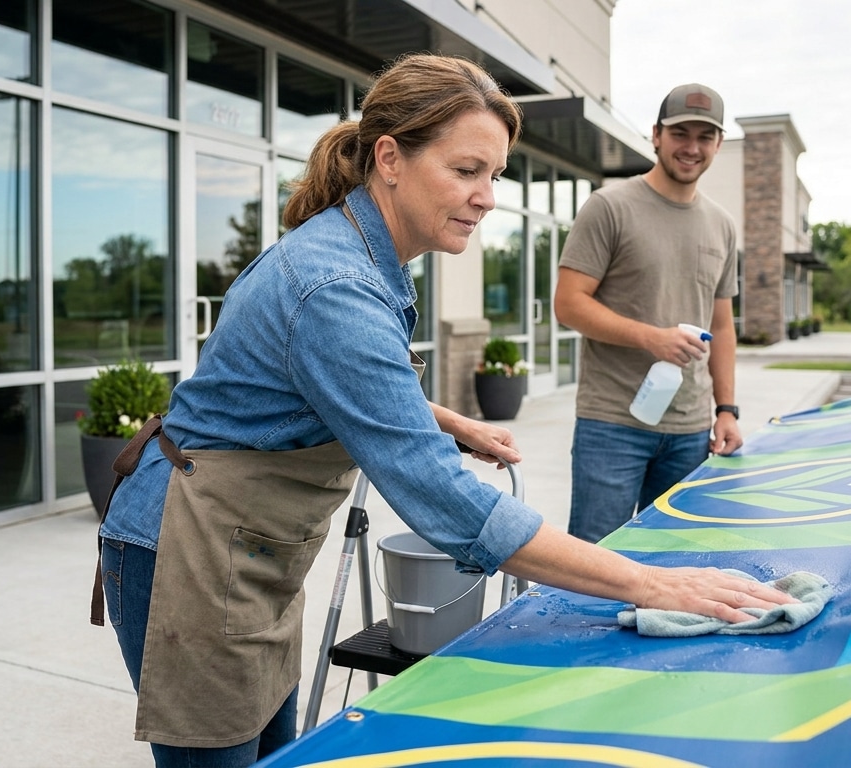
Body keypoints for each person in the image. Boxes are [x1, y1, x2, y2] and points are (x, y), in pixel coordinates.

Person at [93, 59, 792, 768]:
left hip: (248, 549)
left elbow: (336, 381)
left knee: (273, 754)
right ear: (391, 158)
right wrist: (652, 581)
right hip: (188, 546)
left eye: (495, 175)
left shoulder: (364, 255)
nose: (487, 197)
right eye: (467, 171)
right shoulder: (336, 283)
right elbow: (442, 499)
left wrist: (447, 420)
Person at [555, 83, 742, 545]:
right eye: (681, 133)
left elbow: (722, 324)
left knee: (673, 560)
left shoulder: (722, 225)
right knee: (597, 563)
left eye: (705, 136)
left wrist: (727, 410)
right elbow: (568, 304)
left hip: (691, 430)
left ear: (718, 144)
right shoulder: (609, 207)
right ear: (656, 135)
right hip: (612, 424)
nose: (692, 147)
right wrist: (650, 338)